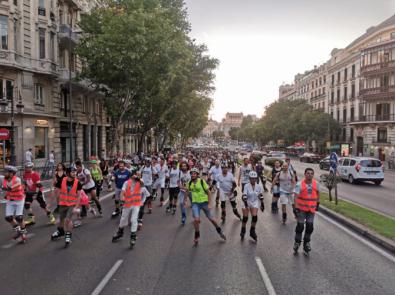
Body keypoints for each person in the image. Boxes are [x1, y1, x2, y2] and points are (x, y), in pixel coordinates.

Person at [185, 168, 226, 245]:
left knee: (211, 219)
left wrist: (210, 203)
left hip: (204, 203)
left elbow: (209, 192)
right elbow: (187, 191)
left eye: (194, 173)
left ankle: (219, 231)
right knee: (196, 220)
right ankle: (197, 234)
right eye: (192, 173)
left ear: (197, 175)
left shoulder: (201, 181)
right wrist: (185, 200)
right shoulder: (189, 183)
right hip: (195, 203)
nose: (193, 175)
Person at [112, 172, 148, 248]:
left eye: (138, 175)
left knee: (133, 220)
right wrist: (122, 198)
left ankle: (133, 237)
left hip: (136, 205)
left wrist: (138, 179)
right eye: (135, 175)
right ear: (131, 176)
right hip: (128, 204)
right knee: (123, 219)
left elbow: (142, 184)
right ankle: (120, 232)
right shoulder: (126, 183)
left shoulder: (140, 181)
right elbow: (122, 192)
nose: (137, 176)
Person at [51, 166, 82, 247]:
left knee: (68, 220)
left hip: (72, 204)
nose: (75, 173)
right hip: (63, 203)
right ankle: (60, 231)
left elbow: (79, 196)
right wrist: (49, 204)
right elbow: (56, 192)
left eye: (75, 172)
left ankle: (68, 235)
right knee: (61, 219)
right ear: (68, 173)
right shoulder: (62, 180)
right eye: (73, 172)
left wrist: (76, 207)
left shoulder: (77, 182)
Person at [293, 168, 320, 255]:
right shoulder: (299, 184)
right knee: (300, 227)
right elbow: (296, 196)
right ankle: (297, 242)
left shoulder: (316, 184)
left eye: (311, 173)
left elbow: (318, 194)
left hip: (311, 210)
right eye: (308, 173)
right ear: (305, 174)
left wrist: (318, 203)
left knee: (309, 227)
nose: (310, 175)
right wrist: (296, 207)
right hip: (301, 209)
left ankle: (306, 243)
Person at [2, 165, 28, 243]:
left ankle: (23, 234)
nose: (4, 173)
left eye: (6, 172)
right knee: (8, 218)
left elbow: (15, 185)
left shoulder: (17, 179)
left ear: (11, 173)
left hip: (19, 200)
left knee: (19, 217)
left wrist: (9, 187)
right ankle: (19, 230)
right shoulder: (4, 179)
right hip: (10, 200)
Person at [241, 171, 264, 242]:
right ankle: (243, 229)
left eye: (254, 178)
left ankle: (252, 231)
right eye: (251, 178)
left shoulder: (259, 186)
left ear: (256, 178)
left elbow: (260, 195)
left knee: (254, 217)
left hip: (255, 202)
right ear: (249, 178)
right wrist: (245, 204)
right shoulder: (246, 186)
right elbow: (244, 195)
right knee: (245, 218)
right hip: (246, 201)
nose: (253, 180)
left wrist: (262, 204)